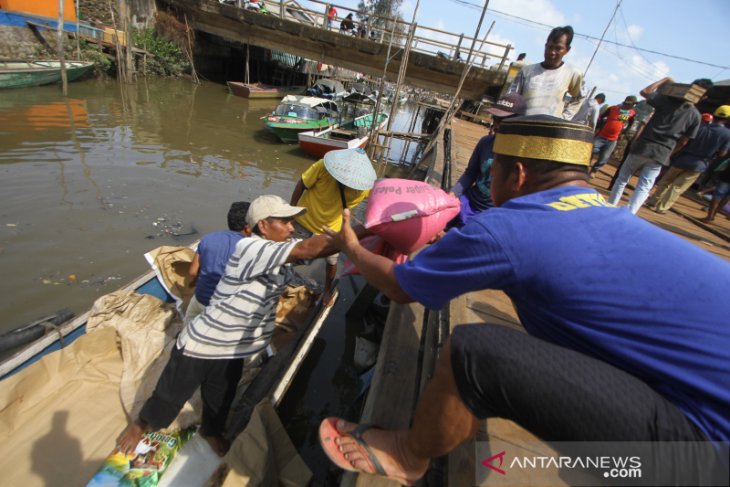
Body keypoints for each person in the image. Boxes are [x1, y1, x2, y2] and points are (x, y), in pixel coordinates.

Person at [319, 115, 730, 485]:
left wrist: (352, 246)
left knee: (472, 351)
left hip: (704, 456)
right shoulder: (606, 212)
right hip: (703, 407)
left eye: (492, 169)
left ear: (516, 174)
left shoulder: (509, 227)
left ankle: (408, 456)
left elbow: (399, 287)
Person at [117, 195, 355, 457]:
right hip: (202, 344)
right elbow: (308, 249)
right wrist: (352, 236)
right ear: (262, 226)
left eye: (292, 222)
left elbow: (315, 248)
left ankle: (211, 431)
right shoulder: (251, 248)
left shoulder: (278, 249)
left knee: (220, 398)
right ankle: (141, 424)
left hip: (232, 349)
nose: (291, 227)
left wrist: (360, 234)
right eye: (285, 221)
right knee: (171, 393)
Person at [608, 77, 710, 214]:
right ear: (703, 97)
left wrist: (665, 80)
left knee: (622, 178)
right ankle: (630, 214)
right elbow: (684, 141)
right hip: (662, 153)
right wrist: (670, 152)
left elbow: (645, 91)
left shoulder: (666, 101)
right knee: (644, 186)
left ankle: (611, 206)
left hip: (643, 146)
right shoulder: (695, 116)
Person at [290, 148, 375, 307]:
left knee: (331, 262)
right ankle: (278, 280)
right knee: (289, 256)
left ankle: (327, 290)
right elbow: (302, 183)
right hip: (304, 220)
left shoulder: (364, 187)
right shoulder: (323, 166)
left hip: (332, 231)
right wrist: (291, 211)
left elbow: (375, 203)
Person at [449, 93, 526, 226]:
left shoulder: (523, 155)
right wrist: (453, 194)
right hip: (469, 202)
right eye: (495, 119)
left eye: (502, 121)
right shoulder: (485, 143)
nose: (495, 125)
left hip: (492, 215)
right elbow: (470, 173)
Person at [648, 105, 730, 213]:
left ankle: (653, 201)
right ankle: (662, 207)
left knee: (666, 181)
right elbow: (722, 153)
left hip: (682, 159)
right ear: (727, 118)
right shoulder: (727, 134)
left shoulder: (700, 127)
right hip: (699, 164)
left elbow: (684, 141)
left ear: (714, 115)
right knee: (677, 187)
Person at [184, 202, 251, 326]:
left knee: (187, 329)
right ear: (249, 226)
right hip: (221, 309)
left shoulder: (208, 238)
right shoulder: (251, 249)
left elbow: (192, 272)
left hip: (199, 300)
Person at [507, 26, 583, 118]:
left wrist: (564, 118)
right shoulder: (527, 71)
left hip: (549, 130)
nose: (552, 52)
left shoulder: (572, 74)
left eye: (558, 48)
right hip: (522, 127)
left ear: (567, 50)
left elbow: (578, 98)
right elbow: (510, 98)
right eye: (550, 47)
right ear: (545, 46)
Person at [589, 95, 637, 176]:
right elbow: (601, 117)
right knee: (592, 149)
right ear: (627, 103)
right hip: (601, 135)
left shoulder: (631, 113)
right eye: (631, 104)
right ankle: (586, 165)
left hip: (613, 139)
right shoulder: (613, 109)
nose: (632, 106)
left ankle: (594, 170)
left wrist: (624, 132)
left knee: (604, 158)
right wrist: (598, 127)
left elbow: (630, 123)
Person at [701, 154, 730, 223]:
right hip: (726, 178)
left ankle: (709, 217)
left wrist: (716, 174)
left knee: (717, 196)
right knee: (726, 197)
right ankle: (713, 215)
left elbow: (722, 166)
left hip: (726, 178)